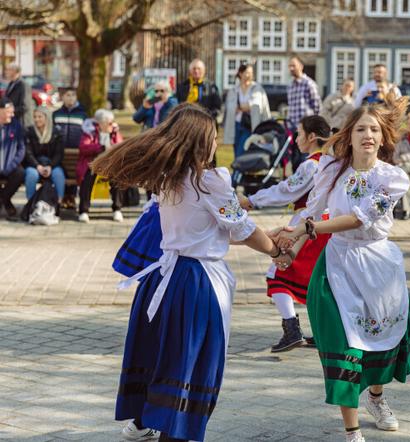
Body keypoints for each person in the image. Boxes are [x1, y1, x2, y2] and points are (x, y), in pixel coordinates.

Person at [92, 103, 286, 442]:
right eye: (212, 136)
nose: (215, 142)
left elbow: (212, 231)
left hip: (164, 279)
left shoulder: (168, 178)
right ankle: (175, 433)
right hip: (195, 284)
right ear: (201, 141)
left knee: (160, 354)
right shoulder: (208, 181)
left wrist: (269, 237)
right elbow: (239, 229)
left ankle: (146, 421)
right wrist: (276, 250)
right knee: (191, 361)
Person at [275, 94, 410, 442]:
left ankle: (376, 398)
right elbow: (310, 215)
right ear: (349, 134)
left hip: (379, 265)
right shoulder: (330, 169)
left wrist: (305, 230)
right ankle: (352, 430)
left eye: (374, 128)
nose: (367, 134)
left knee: (381, 343)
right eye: (360, 128)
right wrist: (291, 252)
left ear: (383, 137)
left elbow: (360, 217)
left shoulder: (393, 178)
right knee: (345, 346)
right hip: (338, 266)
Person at [238, 115, 331, 352]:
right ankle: (325, 332)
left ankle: (292, 330)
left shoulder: (312, 164)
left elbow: (286, 190)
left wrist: (251, 201)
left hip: (308, 225)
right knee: (318, 281)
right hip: (328, 224)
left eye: (300, 133)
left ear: (311, 137)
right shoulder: (332, 162)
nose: (297, 138)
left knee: (277, 273)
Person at [77, 109, 124, 223]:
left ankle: (117, 209)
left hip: (110, 164)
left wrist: (113, 146)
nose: (111, 124)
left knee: (117, 177)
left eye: (112, 122)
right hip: (92, 164)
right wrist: (100, 147)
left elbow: (121, 146)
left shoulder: (114, 131)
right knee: (87, 177)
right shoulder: (89, 131)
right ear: (100, 123)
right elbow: (84, 147)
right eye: (109, 122)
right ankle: (84, 211)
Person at [222, 64, 271, 161]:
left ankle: (237, 174)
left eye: (251, 73)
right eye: (247, 73)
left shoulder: (257, 88)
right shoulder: (233, 90)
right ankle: (239, 173)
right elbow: (230, 108)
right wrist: (243, 107)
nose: (250, 75)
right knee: (236, 151)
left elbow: (256, 106)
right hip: (235, 124)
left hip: (249, 125)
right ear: (240, 74)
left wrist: (241, 106)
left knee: (242, 150)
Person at [53, 87, 87, 210]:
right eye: (68, 95)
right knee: (64, 171)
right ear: (62, 97)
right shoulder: (56, 114)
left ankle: (71, 197)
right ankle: (64, 197)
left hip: (76, 151)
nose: (70, 97)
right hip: (60, 151)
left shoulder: (82, 114)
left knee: (73, 172)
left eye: (73, 95)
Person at [24, 107, 65, 204]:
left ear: (47, 118)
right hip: (34, 165)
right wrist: (37, 166)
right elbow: (28, 153)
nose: (36, 119)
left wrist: (50, 166)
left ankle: (58, 203)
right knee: (31, 175)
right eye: (35, 117)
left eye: (40, 117)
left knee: (58, 174)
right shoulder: (29, 132)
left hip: (52, 165)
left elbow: (59, 153)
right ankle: (31, 204)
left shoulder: (56, 132)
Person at [0, 100, 24, 218]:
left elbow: (21, 149)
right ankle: (7, 202)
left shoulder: (16, 125)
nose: (12, 115)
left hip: (10, 166)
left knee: (20, 173)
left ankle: (2, 199)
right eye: (9, 112)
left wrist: (11, 165)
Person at [3, 63, 32, 127]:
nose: (6, 72)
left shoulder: (23, 85)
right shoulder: (11, 83)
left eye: (8, 70)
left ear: (15, 71)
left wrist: (9, 112)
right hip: (12, 121)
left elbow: (25, 106)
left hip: (21, 122)